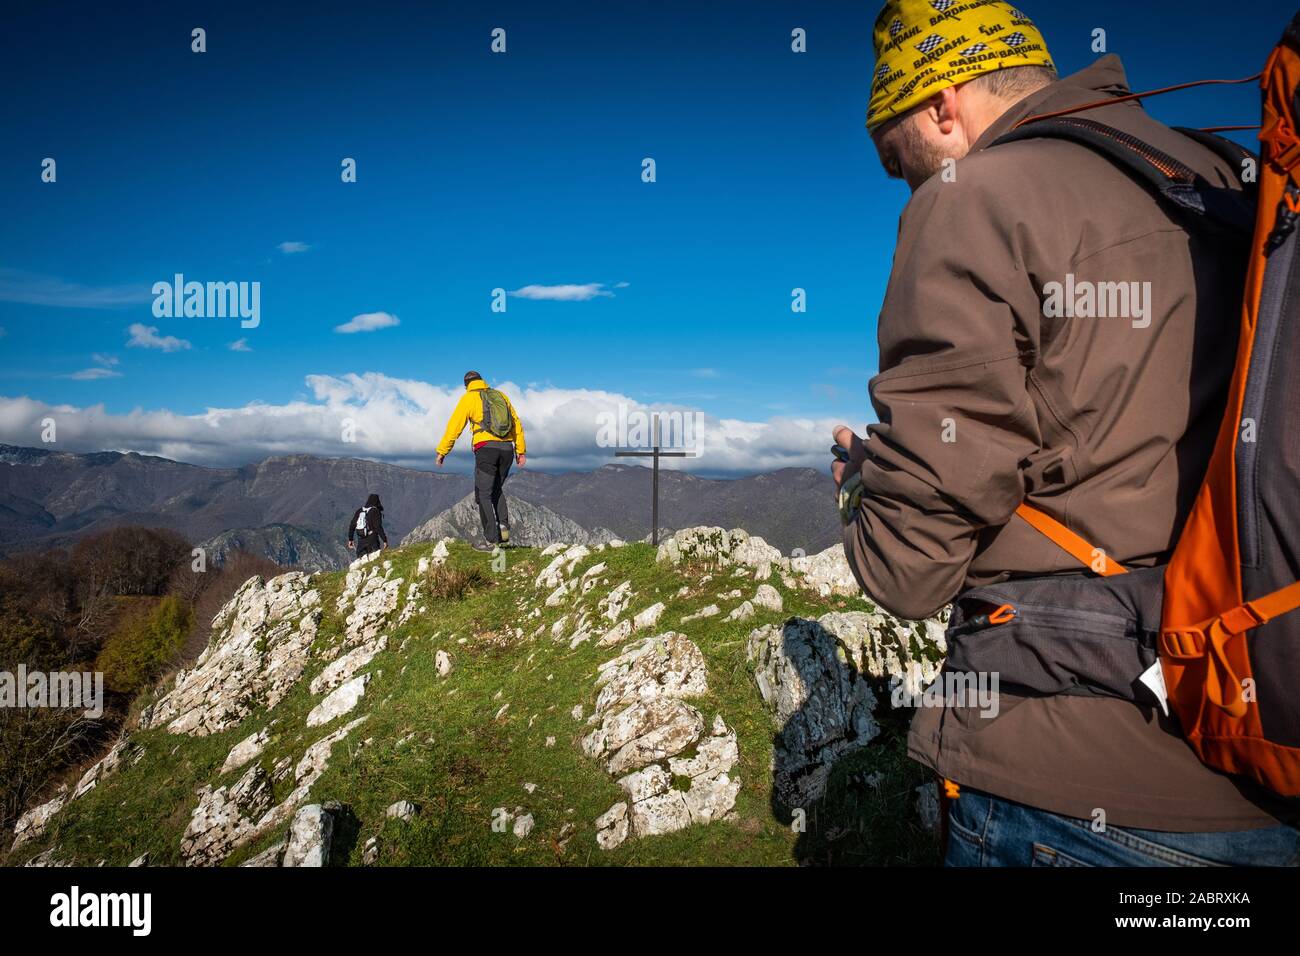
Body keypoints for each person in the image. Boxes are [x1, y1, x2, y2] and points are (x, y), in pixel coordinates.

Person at [831, 0, 1299, 865]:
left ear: (943, 104)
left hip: (1072, 794)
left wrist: (862, 487)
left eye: (904, 165)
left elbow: (908, 573)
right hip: (1265, 758)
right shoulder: (1228, 179)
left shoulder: (977, 201)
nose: (913, 189)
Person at [436, 371, 527, 549]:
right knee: (496, 490)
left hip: (486, 449)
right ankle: (503, 527)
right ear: (482, 381)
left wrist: (442, 452)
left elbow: (454, 427)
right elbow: (516, 423)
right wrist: (520, 451)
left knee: (483, 494)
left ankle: (491, 539)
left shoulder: (468, 398)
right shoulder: (500, 395)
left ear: (466, 385)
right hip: (507, 449)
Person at [347, 493, 388, 560]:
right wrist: (384, 540)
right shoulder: (375, 511)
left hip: (361, 539)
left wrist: (350, 539)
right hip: (372, 539)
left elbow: (352, 525)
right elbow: (378, 527)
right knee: (375, 560)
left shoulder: (360, 510)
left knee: (361, 560)